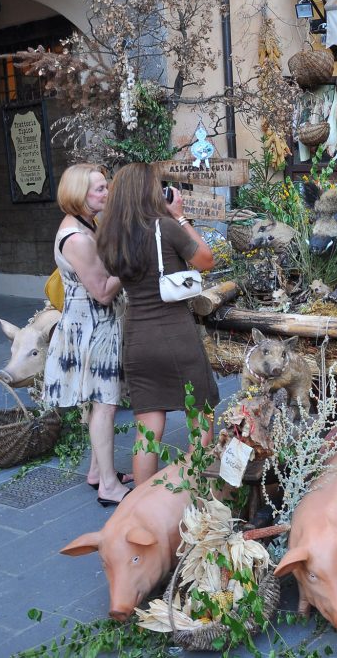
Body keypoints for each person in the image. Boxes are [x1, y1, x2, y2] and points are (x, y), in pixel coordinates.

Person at [96, 163, 218, 483]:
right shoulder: (166, 226)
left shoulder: (112, 236)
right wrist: (179, 215)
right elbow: (206, 259)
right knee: (200, 418)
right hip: (175, 335)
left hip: (137, 339)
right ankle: (196, 494)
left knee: (147, 433)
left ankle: (141, 506)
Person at [43, 164, 132, 507]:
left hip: (95, 325)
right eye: (99, 189)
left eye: (106, 187)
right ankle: (108, 486)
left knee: (101, 401)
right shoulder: (78, 238)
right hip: (93, 328)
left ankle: (98, 473)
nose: (106, 193)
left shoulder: (86, 225)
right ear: (79, 195)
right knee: (106, 405)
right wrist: (129, 261)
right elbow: (104, 292)